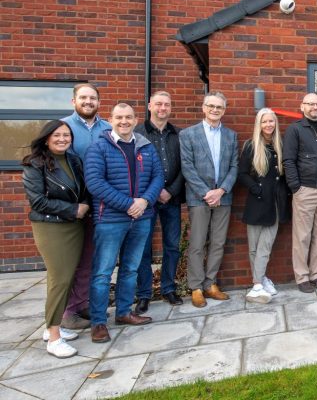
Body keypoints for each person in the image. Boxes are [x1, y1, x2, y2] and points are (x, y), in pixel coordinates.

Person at [85, 103, 164, 343]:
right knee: (102, 272)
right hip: (110, 220)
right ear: (111, 120)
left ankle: (123, 312)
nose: (124, 121)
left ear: (135, 119)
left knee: (130, 269)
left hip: (141, 218)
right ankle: (99, 322)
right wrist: (128, 203)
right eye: (119, 117)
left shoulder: (146, 146)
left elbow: (158, 176)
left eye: (128, 117)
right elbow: (95, 183)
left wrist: (144, 202)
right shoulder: (99, 147)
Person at [22, 121, 90, 357]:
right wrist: (74, 209)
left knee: (62, 278)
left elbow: (83, 190)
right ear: (46, 138)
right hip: (51, 227)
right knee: (60, 279)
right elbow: (38, 201)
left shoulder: (73, 160)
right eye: (57, 135)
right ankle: (54, 339)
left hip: (74, 226)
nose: (62, 139)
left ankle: (53, 325)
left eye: (66, 135)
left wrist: (84, 207)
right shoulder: (34, 163)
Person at [179, 92, 239, 308]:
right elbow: (187, 167)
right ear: (203, 108)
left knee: (218, 242)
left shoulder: (231, 136)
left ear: (224, 110)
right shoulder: (188, 134)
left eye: (219, 107)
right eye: (211, 106)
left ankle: (210, 283)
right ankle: (195, 287)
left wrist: (221, 190)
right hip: (198, 197)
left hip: (224, 196)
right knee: (197, 243)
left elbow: (234, 166)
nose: (215, 110)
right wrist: (207, 192)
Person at [60, 83, 112, 330]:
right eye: (83, 98)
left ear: (99, 102)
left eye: (92, 98)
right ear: (74, 101)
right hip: (73, 204)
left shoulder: (108, 128)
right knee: (70, 260)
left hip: (100, 203)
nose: (88, 102)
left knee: (90, 258)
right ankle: (66, 312)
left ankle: (82, 304)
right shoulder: (64, 128)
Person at [134, 91, 185, 313]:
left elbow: (185, 167)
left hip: (171, 199)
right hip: (146, 201)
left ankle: (168, 288)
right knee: (143, 247)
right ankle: (144, 293)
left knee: (172, 246)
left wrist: (171, 191)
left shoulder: (178, 134)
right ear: (149, 106)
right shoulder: (137, 133)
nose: (162, 108)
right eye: (158, 104)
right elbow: (134, 170)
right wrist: (153, 193)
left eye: (166, 105)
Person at [282, 93, 317, 294]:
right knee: (302, 236)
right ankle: (302, 277)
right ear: (302, 106)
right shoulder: (295, 130)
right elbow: (288, 160)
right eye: (310, 103)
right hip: (305, 190)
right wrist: (295, 187)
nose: (314, 107)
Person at [237, 108, 290, 303]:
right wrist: (255, 188)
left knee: (265, 246)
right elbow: (242, 173)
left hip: (275, 204)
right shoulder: (251, 146)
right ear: (259, 124)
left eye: (271, 121)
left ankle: (257, 284)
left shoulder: (280, 145)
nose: (268, 125)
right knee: (254, 247)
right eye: (264, 121)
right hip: (256, 202)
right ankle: (260, 281)